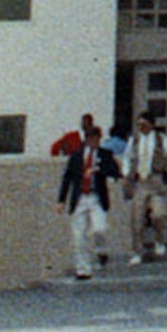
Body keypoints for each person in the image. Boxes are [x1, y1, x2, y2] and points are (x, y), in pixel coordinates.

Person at [119, 111, 167, 265]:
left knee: (159, 215)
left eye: (144, 124)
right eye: (139, 125)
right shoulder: (134, 141)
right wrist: (126, 175)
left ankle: (159, 240)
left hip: (156, 181)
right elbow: (127, 158)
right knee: (137, 219)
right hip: (140, 183)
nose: (141, 127)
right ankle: (137, 251)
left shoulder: (162, 140)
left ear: (152, 124)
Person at [53, 114, 114, 280]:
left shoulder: (105, 155)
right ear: (87, 140)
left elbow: (115, 172)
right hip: (80, 197)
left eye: (98, 139)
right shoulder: (77, 156)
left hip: (96, 197)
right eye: (93, 139)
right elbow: (68, 178)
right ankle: (83, 269)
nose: (95, 143)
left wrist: (98, 170)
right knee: (78, 235)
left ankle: (102, 250)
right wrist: (61, 200)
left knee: (99, 228)